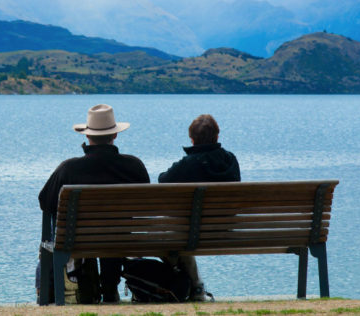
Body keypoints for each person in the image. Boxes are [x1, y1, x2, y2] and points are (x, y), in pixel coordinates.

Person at [38, 104, 150, 303]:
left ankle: (88, 288)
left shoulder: (69, 169)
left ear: (87, 136)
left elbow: (45, 202)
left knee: (93, 235)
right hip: (123, 240)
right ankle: (109, 290)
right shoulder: (134, 166)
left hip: (80, 239)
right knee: (114, 233)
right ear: (114, 135)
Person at [158, 114, 241, 302]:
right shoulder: (230, 160)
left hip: (191, 232)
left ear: (192, 139)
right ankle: (195, 287)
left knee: (169, 234)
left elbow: (163, 180)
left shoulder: (188, 164)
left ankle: (188, 283)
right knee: (180, 235)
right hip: (225, 230)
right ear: (217, 137)